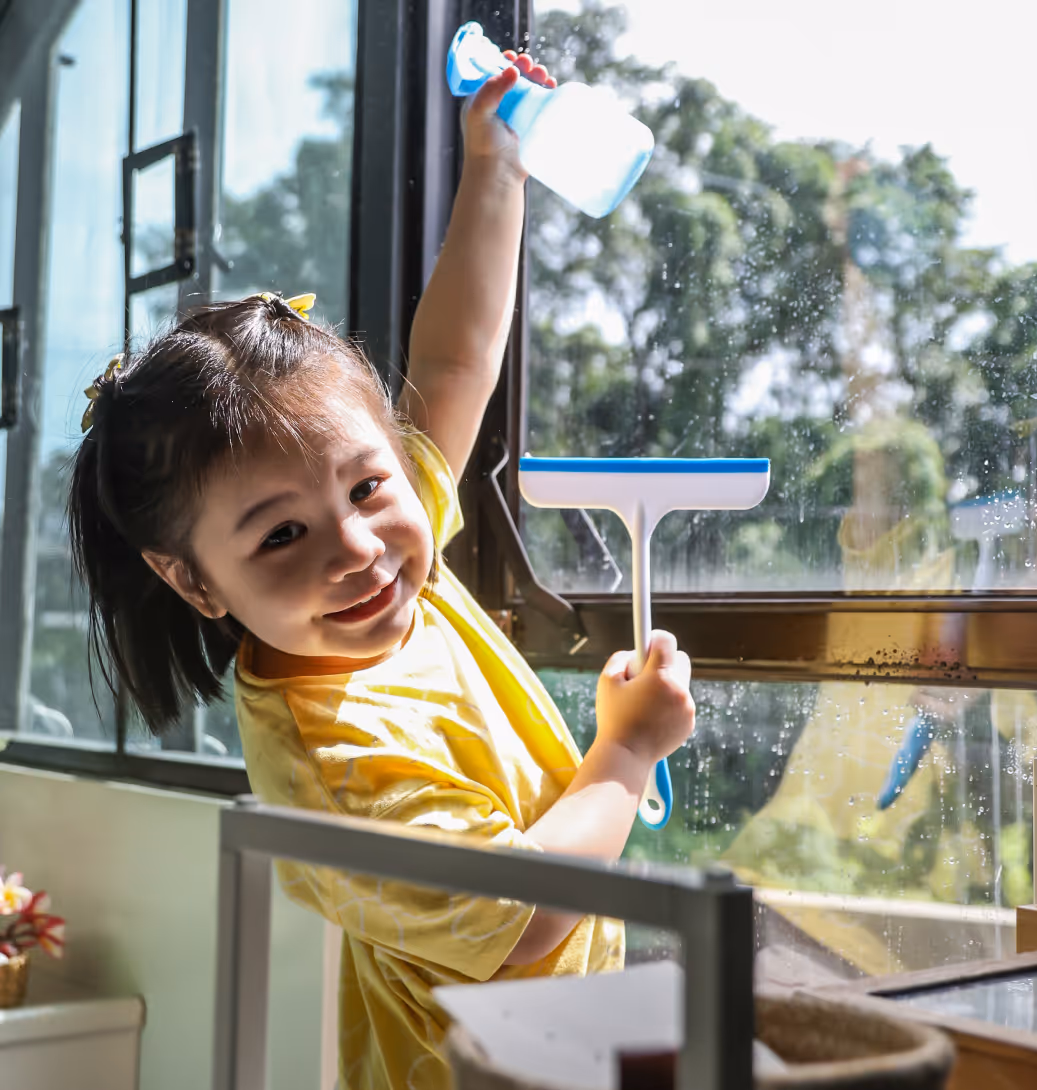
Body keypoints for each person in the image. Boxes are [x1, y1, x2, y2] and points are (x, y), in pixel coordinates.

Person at [67, 51, 695, 1090]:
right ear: (193, 581)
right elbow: (531, 913)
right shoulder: (331, 761)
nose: (355, 547)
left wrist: (493, 166)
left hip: (575, 1054)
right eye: (279, 536)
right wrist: (625, 751)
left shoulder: (387, 572)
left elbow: (452, 365)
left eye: (366, 489)